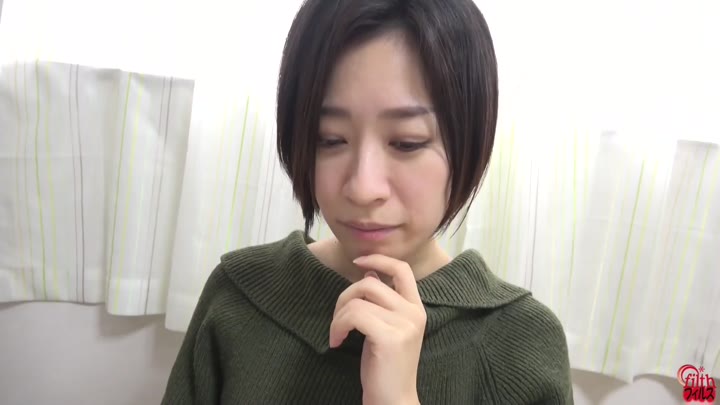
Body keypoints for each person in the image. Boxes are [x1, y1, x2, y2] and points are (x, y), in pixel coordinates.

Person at [161, 0, 573, 403]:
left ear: (470, 139)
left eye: (406, 142)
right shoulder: (239, 296)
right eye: (330, 139)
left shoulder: (523, 344)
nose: (363, 188)